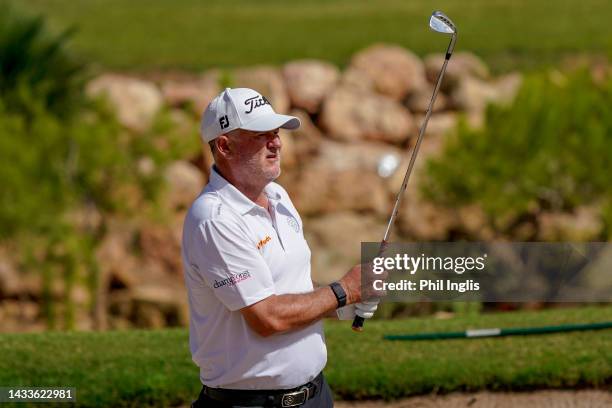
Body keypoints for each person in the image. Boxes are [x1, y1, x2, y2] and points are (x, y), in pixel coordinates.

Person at [182, 87, 378, 407]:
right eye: (261, 134)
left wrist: (344, 305)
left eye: (275, 132)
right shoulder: (214, 219)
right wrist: (344, 291)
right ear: (224, 145)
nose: (276, 142)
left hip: (316, 395)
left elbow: (290, 289)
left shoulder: (279, 197)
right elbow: (267, 317)